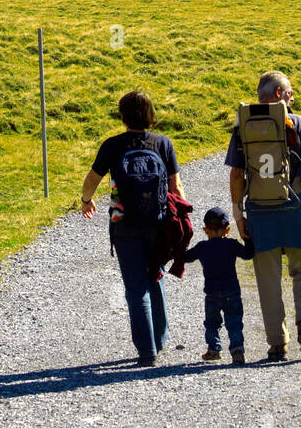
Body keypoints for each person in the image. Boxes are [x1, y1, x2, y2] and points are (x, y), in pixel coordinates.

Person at [226, 72, 301, 361]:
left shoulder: (242, 126)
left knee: (267, 280)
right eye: (290, 93)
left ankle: (277, 344)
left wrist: (239, 215)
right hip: (296, 209)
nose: (292, 97)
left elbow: (236, 174)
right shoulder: (297, 123)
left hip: (260, 214)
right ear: (277, 95)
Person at [80, 90, 182, 367]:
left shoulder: (112, 146)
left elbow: (93, 178)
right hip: (158, 224)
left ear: (122, 116)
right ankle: (159, 340)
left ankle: (146, 351)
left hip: (124, 225)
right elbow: (175, 187)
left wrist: (86, 200)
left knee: (135, 288)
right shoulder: (163, 144)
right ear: (150, 115)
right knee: (155, 276)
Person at [183, 207, 255, 365]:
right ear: (227, 229)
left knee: (212, 323)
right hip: (232, 292)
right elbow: (248, 254)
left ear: (205, 230)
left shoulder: (202, 247)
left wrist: (180, 244)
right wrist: (248, 238)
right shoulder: (231, 245)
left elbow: (185, 258)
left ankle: (214, 349)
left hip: (212, 293)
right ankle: (237, 350)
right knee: (234, 321)